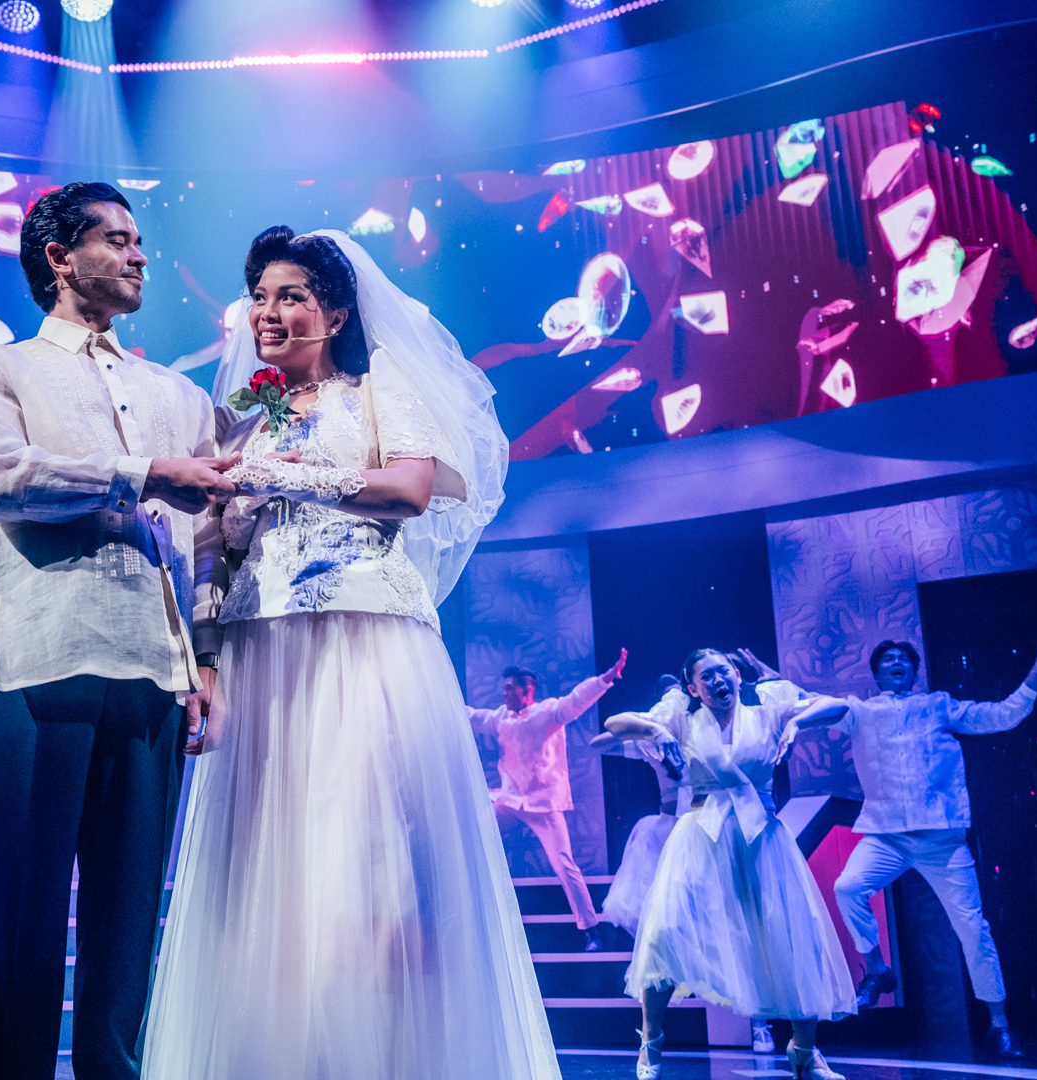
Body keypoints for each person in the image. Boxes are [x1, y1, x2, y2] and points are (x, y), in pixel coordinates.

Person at [143, 226, 550, 1079]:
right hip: (261, 654)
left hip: (363, 641)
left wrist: (278, 476)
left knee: (364, 853)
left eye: (290, 295)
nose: (269, 312)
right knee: (266, 869)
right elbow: (215, 542)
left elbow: (410, 489)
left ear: (332, 313)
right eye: (259, 296)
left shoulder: (375, 388)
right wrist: (206, 659)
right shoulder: (245, 416)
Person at [0, 181, 236, 1080]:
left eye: (141, 239)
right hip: (37, 660)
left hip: (153, 671)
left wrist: (211, 660)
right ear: (59, 258)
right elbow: (4, 481)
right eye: (116, 239)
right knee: (18, 914)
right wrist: (143, 472)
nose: (140, 254)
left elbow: (211, 537)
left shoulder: (178, 395)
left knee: (126, 921)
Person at [764, 634, 1037, 1060]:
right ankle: (879, 971)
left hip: (942, 839)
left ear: (914, 670)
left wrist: (1036, 668)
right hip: (886, 835)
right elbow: (810, 701)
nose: (896, 662)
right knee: (848, 887)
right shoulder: (861, 711)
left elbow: (1005, 715)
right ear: (878, 673)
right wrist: (772, 680)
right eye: (888, 659)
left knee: (974, 930)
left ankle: (999, 1023)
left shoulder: (938, 705)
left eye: (904, 658)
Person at [607, 649, 855, 1080]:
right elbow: (614, 724)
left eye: (723, 671)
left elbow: (839, 706)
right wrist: (654, 730)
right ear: (693, 689)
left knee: (792, 934)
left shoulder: (769, 709)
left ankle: (805, 1050)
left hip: (761, 837)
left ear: (737, 675)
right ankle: (651, 1041)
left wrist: (797, 721)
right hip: (701, 835)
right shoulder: (682, 718)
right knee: (665, 933)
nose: (718, 680)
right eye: (706, 677)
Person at [468, 657, 627, 952]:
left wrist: (605, 679)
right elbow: (473, 716)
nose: (504, 694)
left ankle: (591, 929)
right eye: (503, 689)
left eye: (509, 688)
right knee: (474, 827)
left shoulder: (548, 713)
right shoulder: (502, 718)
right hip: (510, 800)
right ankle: (474, 915)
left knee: (564, 865)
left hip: (544, 804)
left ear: (527, 690)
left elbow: (576, 700)